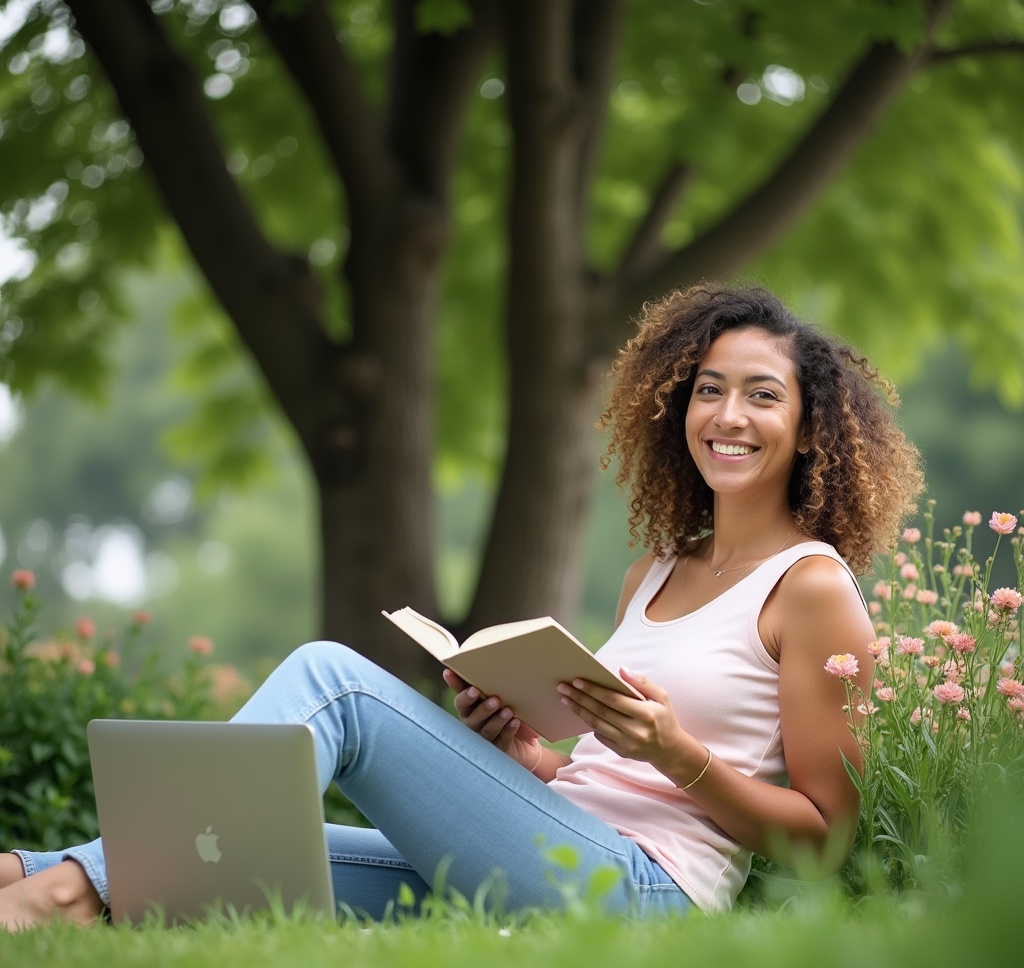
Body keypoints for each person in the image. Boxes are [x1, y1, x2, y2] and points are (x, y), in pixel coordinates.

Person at [0, 283, 923, 929]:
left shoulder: (810, 587)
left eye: (763, 397)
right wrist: (526, 754)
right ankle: (41, 886)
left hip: (643, 894)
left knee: (335, 681)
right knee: (243, 855)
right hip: (552, 847)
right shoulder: (652, 571)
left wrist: (679, 754)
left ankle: (64, 904)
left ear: (809, 430)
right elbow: (602, 780)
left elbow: (825, 839)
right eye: (709, 391)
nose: (728, 416)